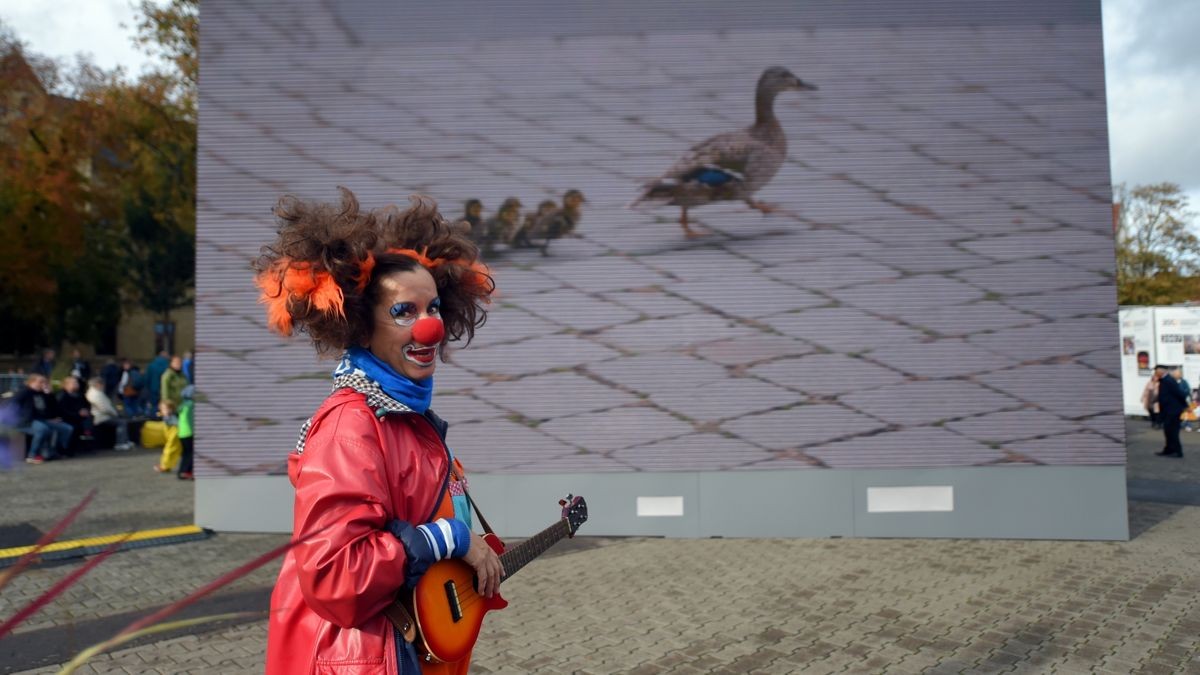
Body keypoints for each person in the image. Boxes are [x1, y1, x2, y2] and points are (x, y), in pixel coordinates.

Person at [259, 189, 501, 675]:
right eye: (404, 312)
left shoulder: (406, 419)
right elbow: (336, 577)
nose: (429, 328)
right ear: (360, 326)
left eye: (433, 309)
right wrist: (450, 538)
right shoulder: (351, 426)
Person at [12, 374, 72, 463]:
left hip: (42, 419)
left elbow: (53, 408)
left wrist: (50, 394)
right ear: (32, 382)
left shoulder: (42, 393)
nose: (43, 384)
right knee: (42, 429)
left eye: (45, 382)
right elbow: (12, 405)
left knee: (66, 428)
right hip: (26, 421)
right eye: (40, 382)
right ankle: (32, 455)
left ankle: (56, 451)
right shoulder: (24, 392)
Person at [86, 376, 134, 450]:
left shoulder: (95, 393)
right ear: (98, 384)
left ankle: (125, 441)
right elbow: (105, 408)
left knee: (121, 420)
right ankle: (120, 443)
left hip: (102, 416)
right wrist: (115, 414)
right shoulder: (96, 394)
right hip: (101, 417)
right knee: (121, 422)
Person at [55, 375, 92, 454]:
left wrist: (85, 410)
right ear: (66, 384)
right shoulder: (62, 395)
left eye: (76, 383)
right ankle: (66, 448)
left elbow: (87, 405)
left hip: (79, 417)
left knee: (88, 422)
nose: (76, 384)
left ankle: (86, 445)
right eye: (74, 383)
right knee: (73, 427)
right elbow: (61, 410)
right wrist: (77, 414)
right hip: (67, 418)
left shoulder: (79, 394)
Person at [1157, 365, 1188, 458]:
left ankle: (1177, 451)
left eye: (1156, 372)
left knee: (1173, 431)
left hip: (1172, 410)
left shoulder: (1168, 380)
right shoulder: (1166, 380)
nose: (1155, 374)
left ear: (1161, 371)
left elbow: (1179, 393)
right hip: (1168, 410)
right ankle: (1169, 449)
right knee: (1168, 431)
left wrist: (1185, 405)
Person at [153, 400, 182, 473]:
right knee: (170, 452)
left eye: (167, 409)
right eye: (163, 409)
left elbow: (177, 424)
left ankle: (165, 466)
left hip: (174, 436)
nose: (165, 411)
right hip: (171, 437)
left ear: (172, 409)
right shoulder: (166, 416)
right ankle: (166, 465)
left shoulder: (172, 416)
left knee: (168, 451)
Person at [177, 385, 195, 480]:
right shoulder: (191, 405)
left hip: (182, 433)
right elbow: (191, 420)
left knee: (185, 453)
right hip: (189, 433)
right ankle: (188, 471)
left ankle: (181, 472)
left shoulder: (183, 404)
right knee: (191, 453)